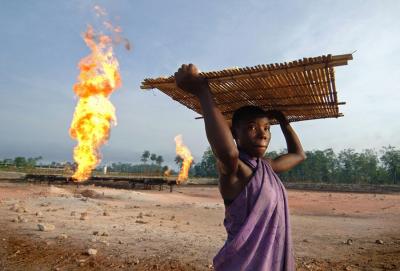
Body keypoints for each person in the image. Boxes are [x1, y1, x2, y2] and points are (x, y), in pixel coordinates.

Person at [175, 64, 306, 271]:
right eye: (251, 127)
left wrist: (283, 122)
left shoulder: (267, 167)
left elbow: (299, 155)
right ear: (234, 134)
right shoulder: (234, 170)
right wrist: (202, 92)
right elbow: (228, 152)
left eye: (266, 128)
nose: (263, 134)